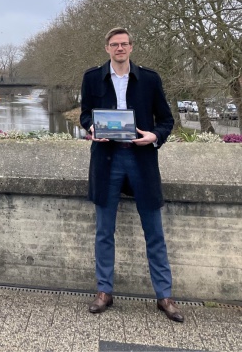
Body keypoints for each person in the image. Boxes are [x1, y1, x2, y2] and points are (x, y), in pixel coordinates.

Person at [80, 27, 183, 323]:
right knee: (103, 231)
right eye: (115, 44)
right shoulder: (92, 77)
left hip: (141, 160)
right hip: (107, 160)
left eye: (124, 44)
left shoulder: (149, 78)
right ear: (107, 48)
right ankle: (104, 291)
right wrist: (91, 129)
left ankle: (164, 295)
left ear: (131, 47)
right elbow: (86, 113)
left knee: (154, 233)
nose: (120, 48)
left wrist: (154, 136)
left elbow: (166, 119)